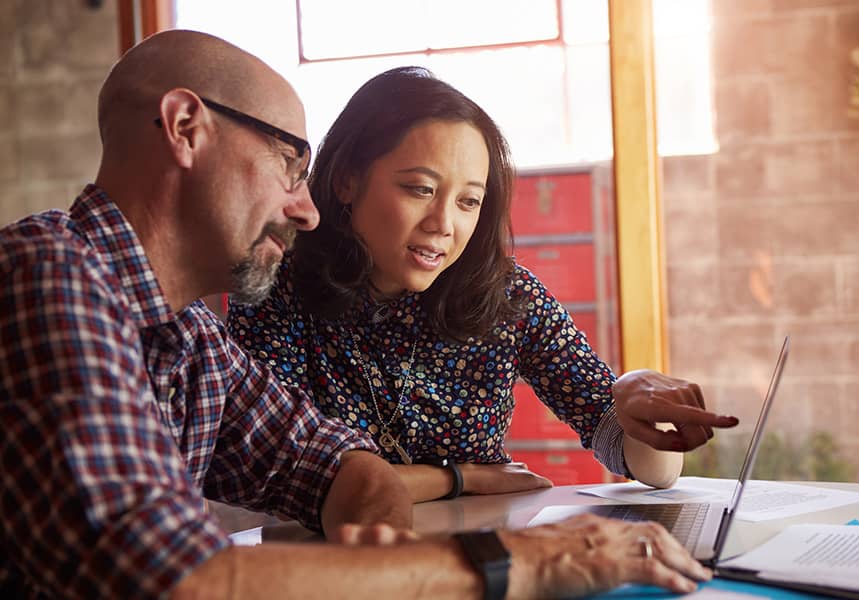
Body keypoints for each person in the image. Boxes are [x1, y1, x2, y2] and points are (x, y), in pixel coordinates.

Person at [0, 29, 714, 599]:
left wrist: (389, 558)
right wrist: (507, 564)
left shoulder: (190, 336)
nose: (303, 208)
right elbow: (172, 578)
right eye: (288, 164)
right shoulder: (50, 274)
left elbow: (337, 467)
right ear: (185, 127)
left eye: (468, 200)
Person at [227, 66, 740, 504]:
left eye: (467, 201)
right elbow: (275, 471)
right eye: (420, 189)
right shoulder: (278, 285)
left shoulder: (506, 296)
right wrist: (458, 479)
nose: (443, 224)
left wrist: (632, 397)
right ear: (347, 181)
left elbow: (647, 469)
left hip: (480, 564)